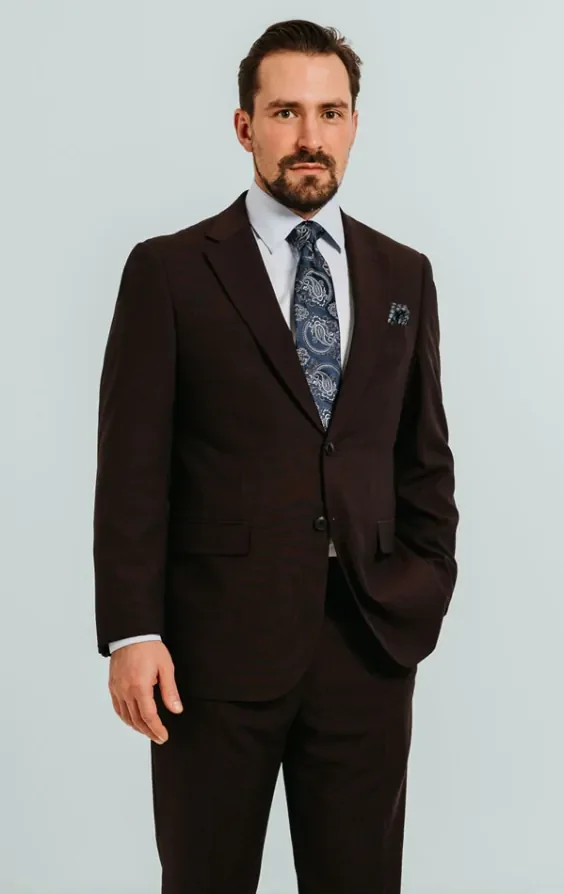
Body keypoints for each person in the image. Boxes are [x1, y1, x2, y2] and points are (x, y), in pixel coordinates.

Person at [93, 18, 459, 893]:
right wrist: (134, 632)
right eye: (285, 112)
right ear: (244, 125)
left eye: (330, 113)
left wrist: (422, 585)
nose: (309, 137)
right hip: (212, 655)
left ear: (354, 125)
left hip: (367, 645)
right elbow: (132, 468)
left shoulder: (404, 274)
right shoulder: (171, 271)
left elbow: (424, 458)